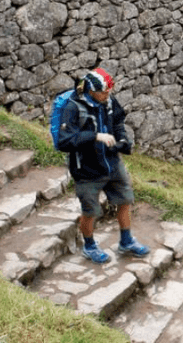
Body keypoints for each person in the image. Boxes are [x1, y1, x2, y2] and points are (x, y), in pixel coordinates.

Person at [57, 68, 149, 263]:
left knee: (125, 200)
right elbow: (64, 141)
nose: (107, 95)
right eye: (103, 91)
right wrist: (95, 137)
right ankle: (89, 246)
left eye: (109, 91)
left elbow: (117, 122)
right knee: (90, 211)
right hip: (87, 170)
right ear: (91, 90)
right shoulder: (74, 108)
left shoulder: (108, 101)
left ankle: (126, 240)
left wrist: (122, 139)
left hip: (112, 163)